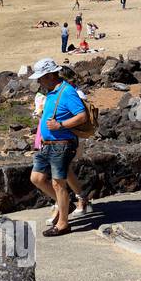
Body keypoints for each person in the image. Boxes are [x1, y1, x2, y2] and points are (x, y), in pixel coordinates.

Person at [28, 59, 88, 236]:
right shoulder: (52, 92)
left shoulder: (66, 92)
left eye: (40, 78)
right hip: (47, 145)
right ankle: (65, 205)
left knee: (58, 183)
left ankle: (63, 223)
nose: (38, 82)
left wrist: (60, 125)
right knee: (37, 178)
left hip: (61, 144)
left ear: (49, 75)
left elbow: (82, 116)